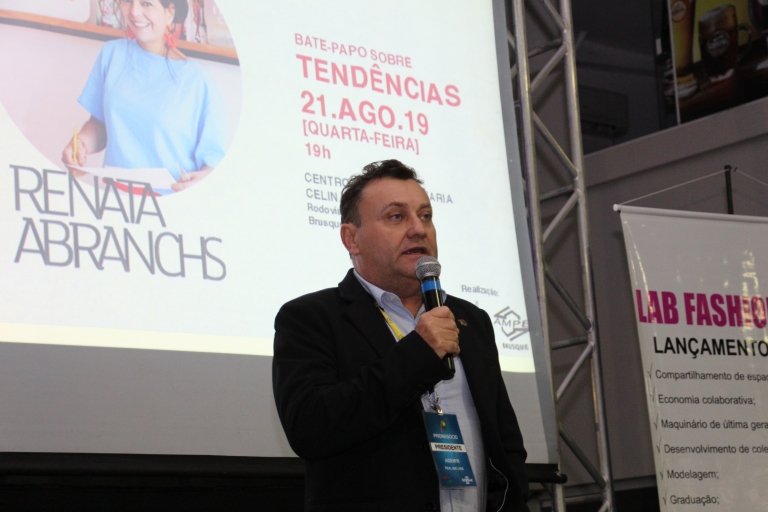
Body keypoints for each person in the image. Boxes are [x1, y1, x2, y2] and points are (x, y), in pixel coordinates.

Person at [273, 160, 529, 511]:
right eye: (396, 217)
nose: (418, 229)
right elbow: (310, 428)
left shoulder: (470, 319)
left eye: (425, 216)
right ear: (351, 238)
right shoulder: (311, 317)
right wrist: (418, 353)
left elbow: (506, 442)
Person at [62, 0, 226, 193]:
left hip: (170, 202)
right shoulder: (111, 54)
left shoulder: (198, 81)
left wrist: (204, 179)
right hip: (114, 198)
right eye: (128, 1)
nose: (134, 11)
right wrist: (81, 143)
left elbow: (214, 164)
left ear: (169, 12)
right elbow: (100, 125)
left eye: (146, 3)